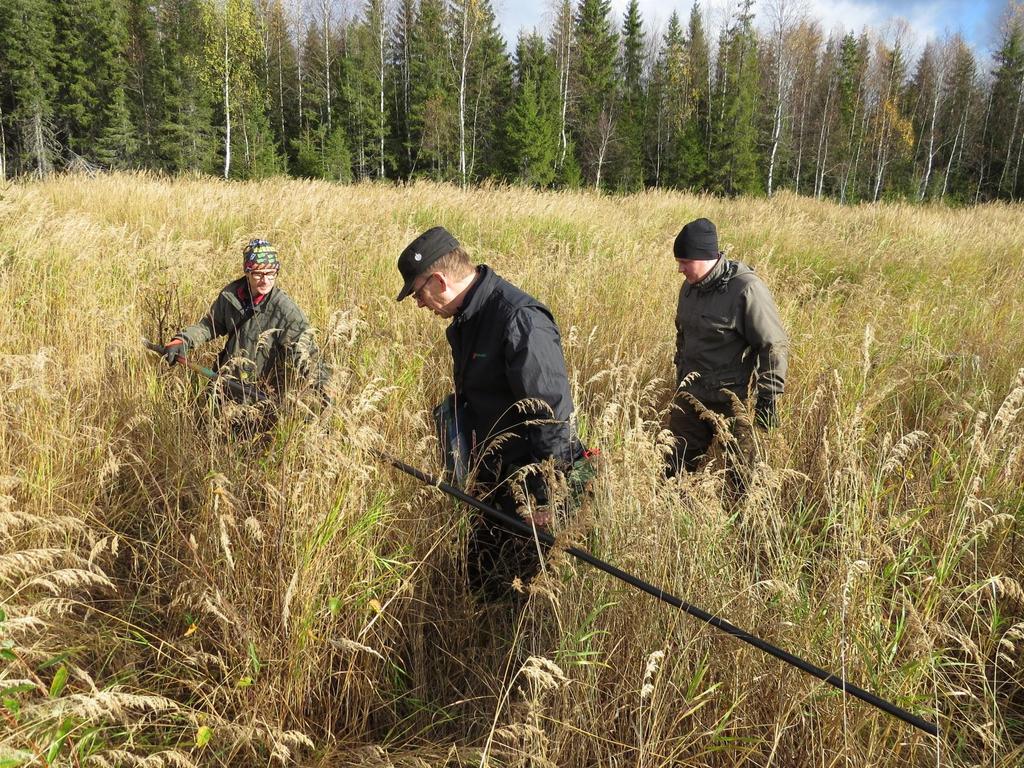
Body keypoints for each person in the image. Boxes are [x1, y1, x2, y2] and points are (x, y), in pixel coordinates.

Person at [396, 226, 592, 601]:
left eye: (418, 293)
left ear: (439, 281)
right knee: (482, 581)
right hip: (489, 477)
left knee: (523, 592)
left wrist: (546, 497)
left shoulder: (518, 319)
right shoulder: (468, 318)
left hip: (527, 488)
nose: (419, 303)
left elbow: (549, 415)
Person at [162, 239, 330, 428]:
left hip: (261, 398)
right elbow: (210, 325)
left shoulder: (287, 312)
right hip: (224, 385)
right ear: (247, 272)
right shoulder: (231, 295)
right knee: (204, 436)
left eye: (271, 273)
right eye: (258, 273)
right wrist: (181, 340)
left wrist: (324, 388)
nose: (265, 280)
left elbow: (306, 355)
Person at [667, 218, 789, 478]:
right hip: (689, 397)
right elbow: (683, 335)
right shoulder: (689, 288)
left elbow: (772, 345)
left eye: (684, 261)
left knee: (743, 478)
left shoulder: (746, 289)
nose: (680, 269)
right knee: (672, 471)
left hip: (731, 401)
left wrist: (768, 398)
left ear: (705, 257)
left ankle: (746, 518)